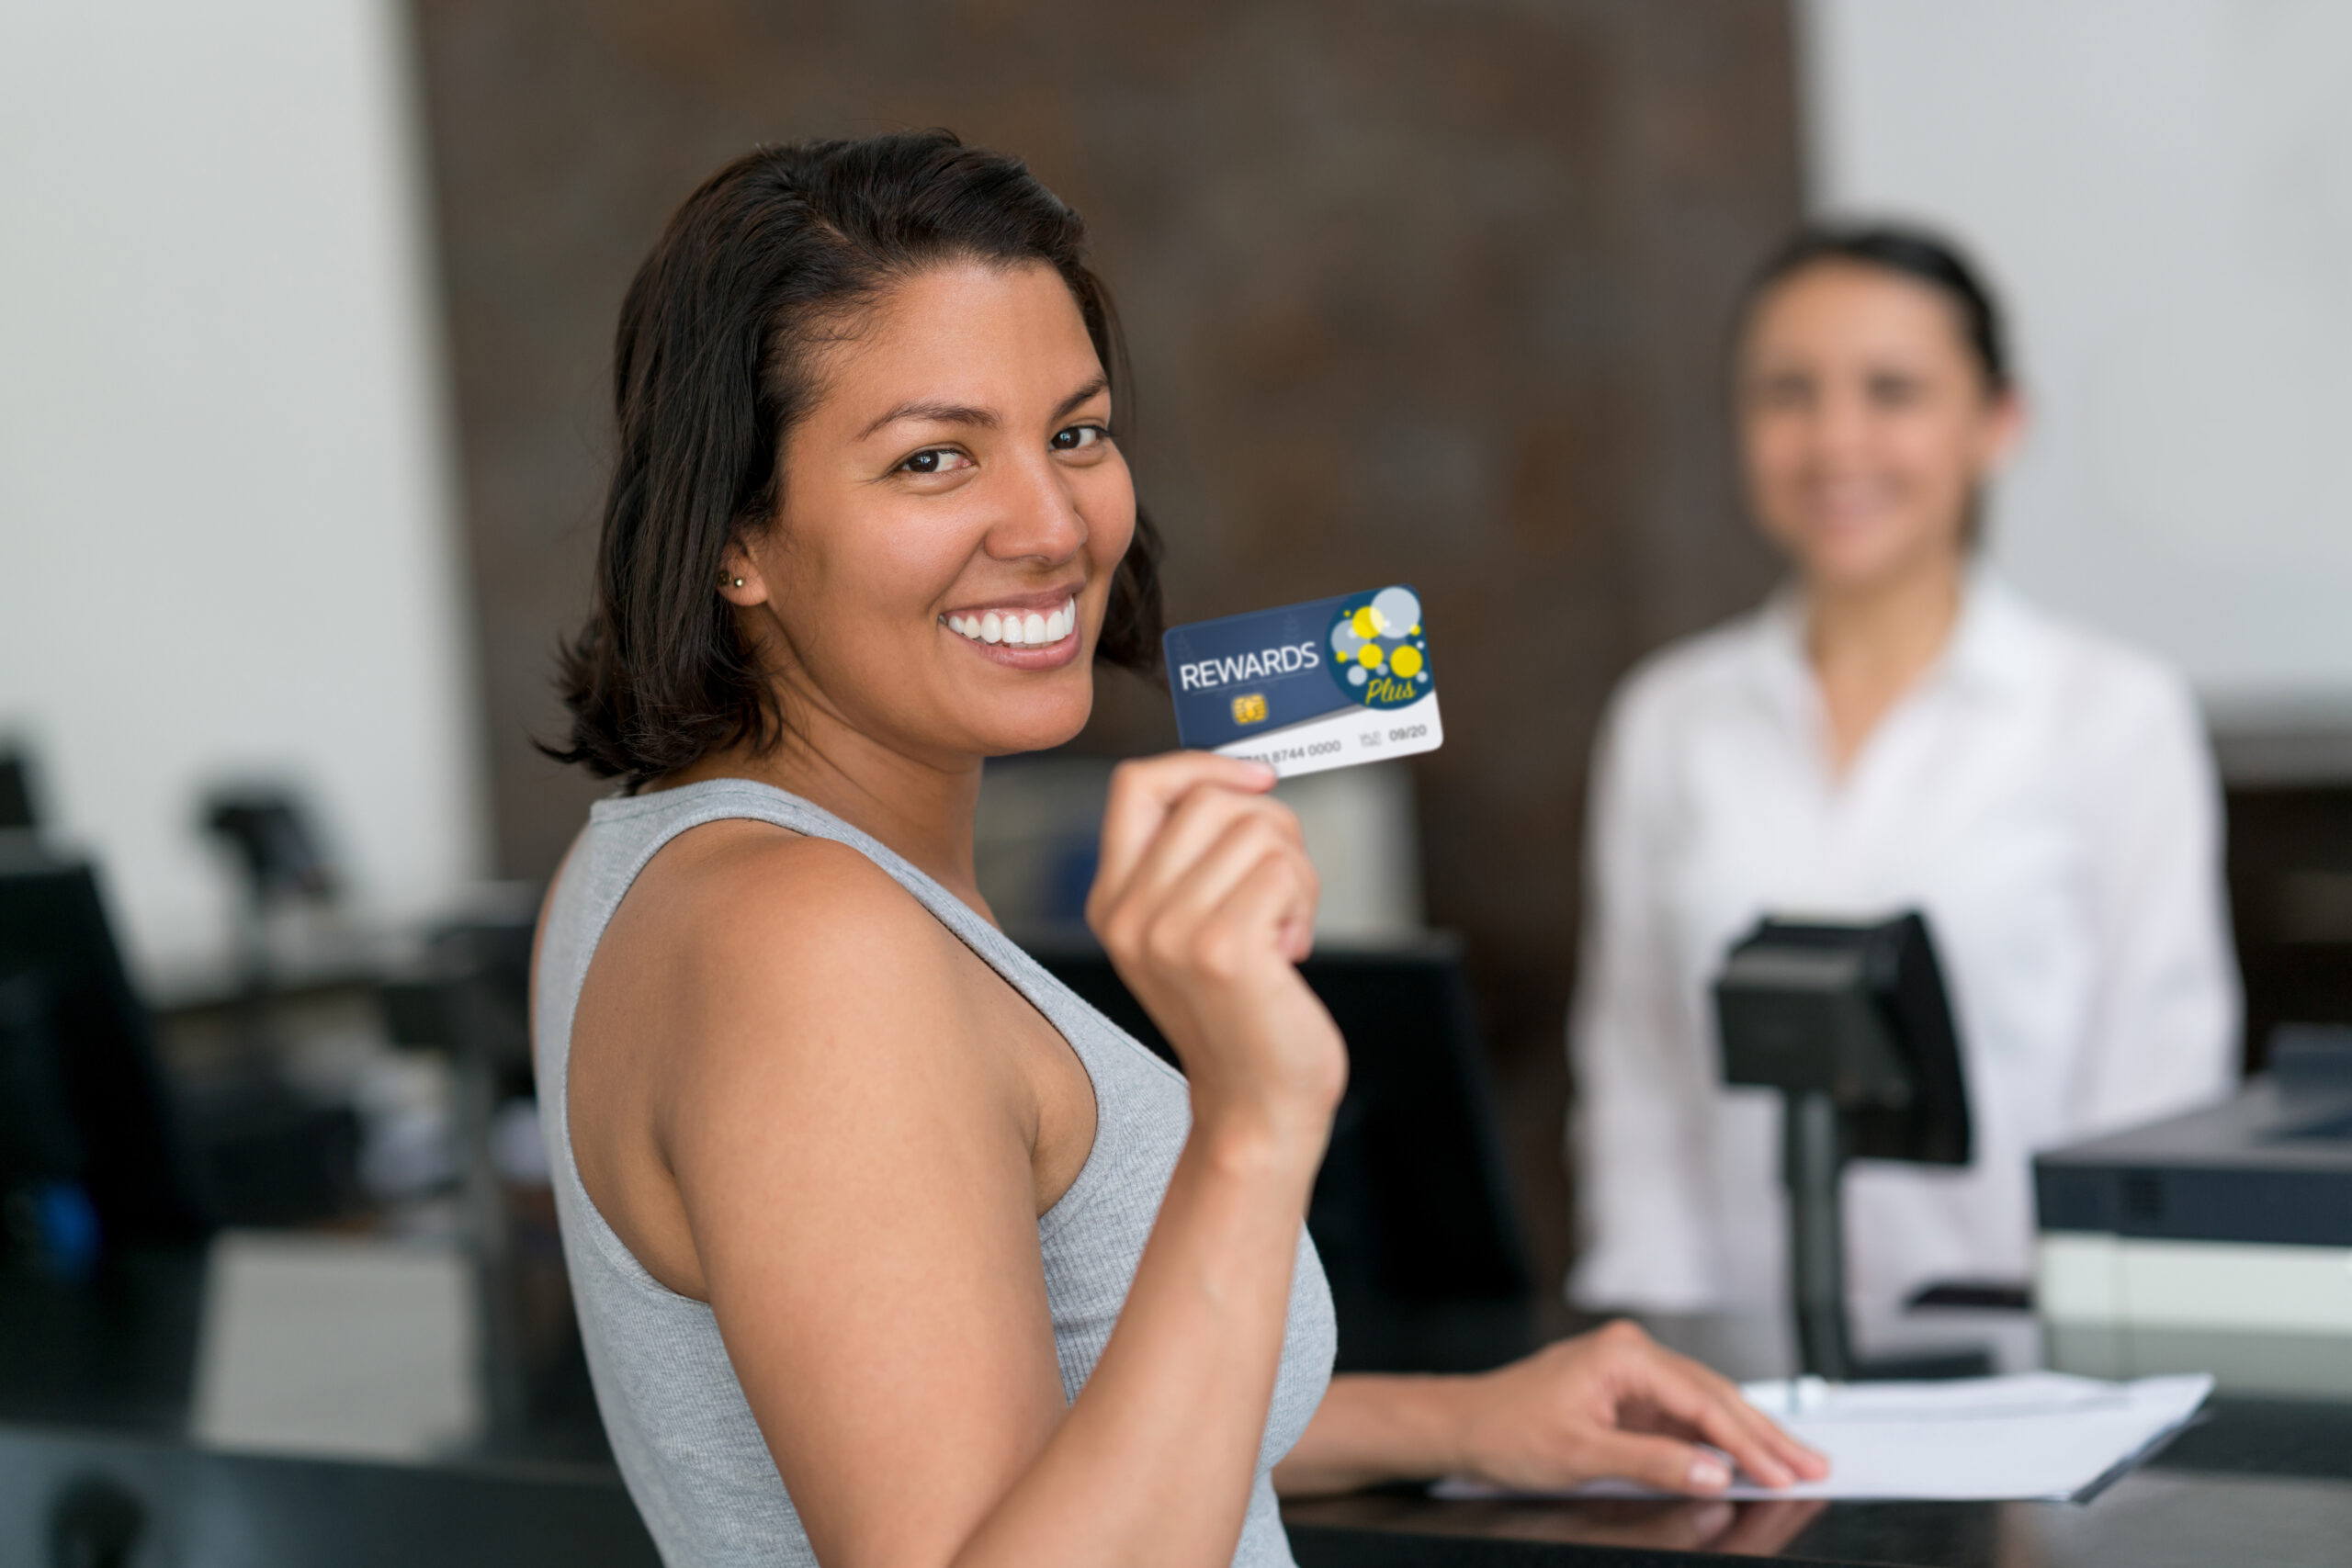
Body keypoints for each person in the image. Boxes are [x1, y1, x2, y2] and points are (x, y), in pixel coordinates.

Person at [533, 133, 1821, 1568]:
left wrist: (1457, 1420)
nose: (1050, 523)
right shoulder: (811, 945)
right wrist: (1257, 1121)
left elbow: (1021, 1409)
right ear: (736, 539)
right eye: (933, 457)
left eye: (1075, 432)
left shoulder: (657, 863)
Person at [1567, 224, 2240, 1325]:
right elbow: (1638, 1085)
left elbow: (2155, 1093)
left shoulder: (2113, 715)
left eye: (1892, 391)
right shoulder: (1668, 718)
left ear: (1997, 422)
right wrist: (1656, 1348)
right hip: (1729, 1396)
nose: (1835, 440)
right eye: (1787, 393)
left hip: (2038, 1374)